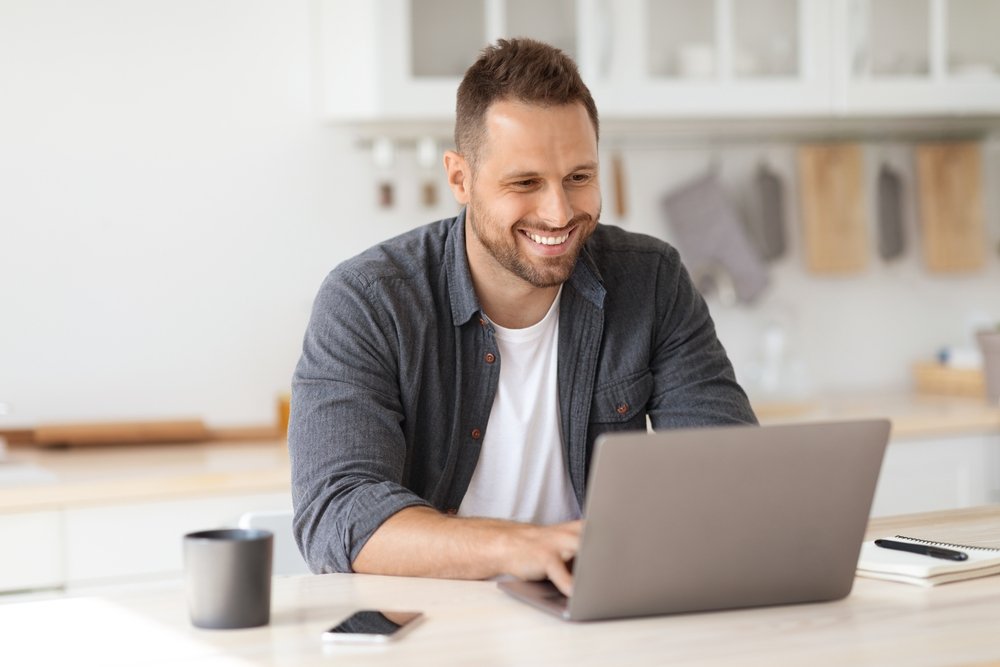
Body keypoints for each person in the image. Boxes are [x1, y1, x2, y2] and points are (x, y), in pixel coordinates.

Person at [289, 38, 757, 596]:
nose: (559, 213)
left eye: (578, 178)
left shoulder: (651, 280)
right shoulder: (368, 300)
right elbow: (337, 514)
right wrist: (519, 546)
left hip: (592, 609)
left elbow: (732, 476)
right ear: (460, 179)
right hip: (432, 617)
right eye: (525, 183)